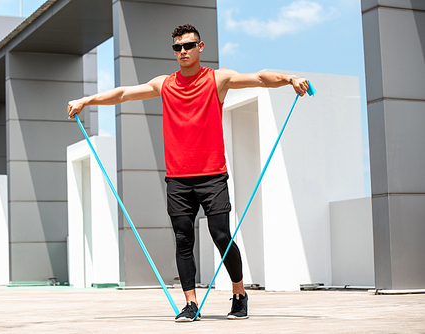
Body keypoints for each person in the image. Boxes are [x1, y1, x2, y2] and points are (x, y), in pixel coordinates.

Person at [67, 24, 310, 322]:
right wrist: (86, 101)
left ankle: (239, 293)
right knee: (183, 240)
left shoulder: (217, 79)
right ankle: (190, 303)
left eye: (188, 46)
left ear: (200, 47)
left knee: (221, 235)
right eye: (177, 47)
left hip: (212, 176)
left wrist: (290, 78)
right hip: (178, 179)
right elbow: (123, 93)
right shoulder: (164, 84)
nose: (182, 52)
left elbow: (260, 77)